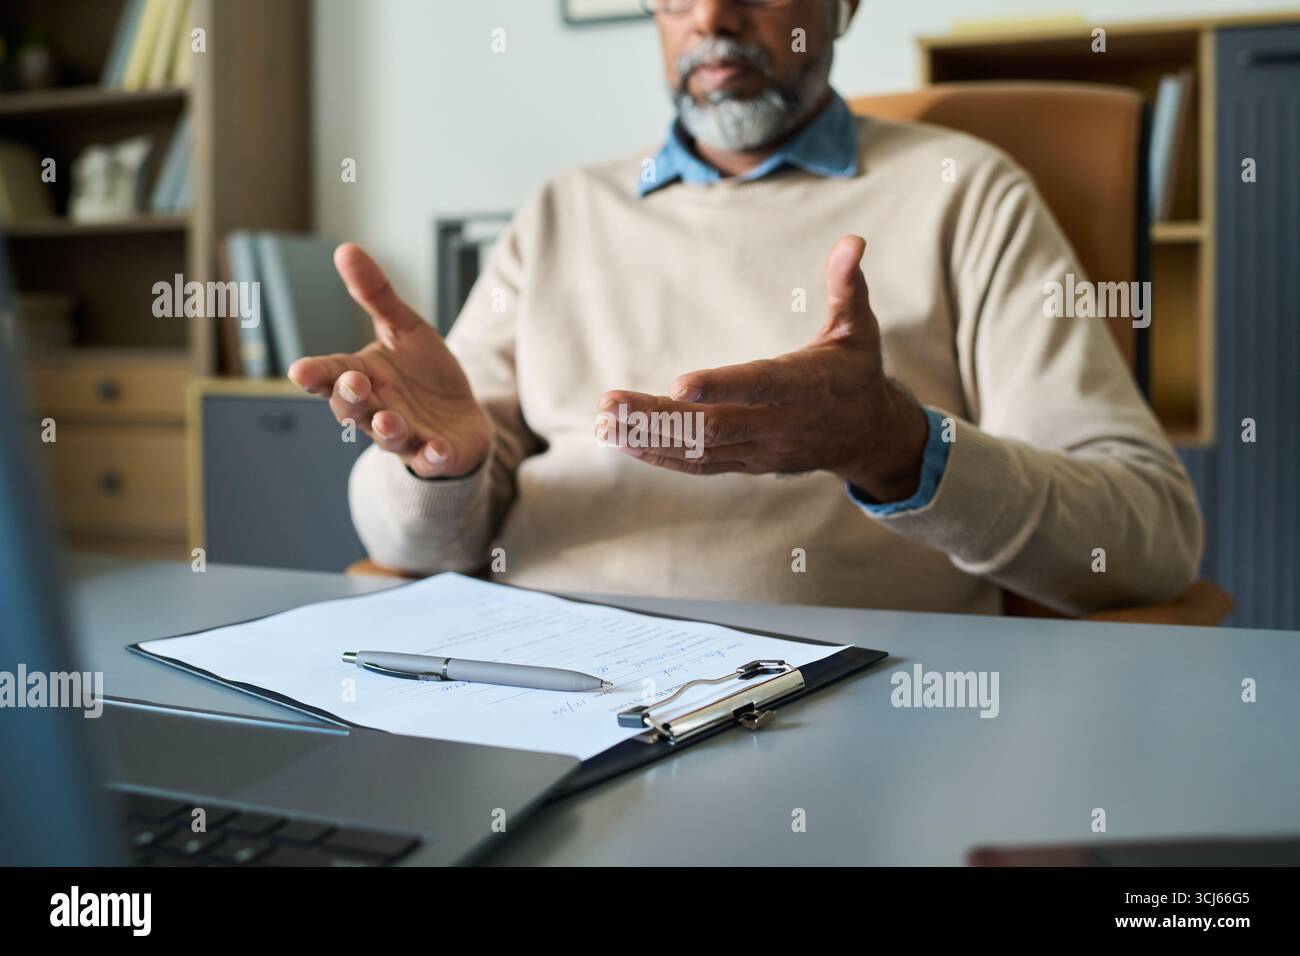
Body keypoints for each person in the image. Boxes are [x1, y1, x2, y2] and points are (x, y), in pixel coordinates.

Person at [289, 0, 1202, 614]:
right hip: (532, 682)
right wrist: (438, 472)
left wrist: (896, 448)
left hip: (836, 713)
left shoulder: (965, 191)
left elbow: (1149, 538)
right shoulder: (563, 209)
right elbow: (410, 551)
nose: (714, 18)